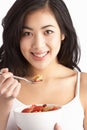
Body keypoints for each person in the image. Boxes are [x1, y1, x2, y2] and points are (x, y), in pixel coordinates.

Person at [0, 0, 87, 130]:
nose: (38, 45)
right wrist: (3, 103)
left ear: (63, 33)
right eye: (27, 33)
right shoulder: (3, 88)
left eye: (48, 31)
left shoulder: (83, 85)